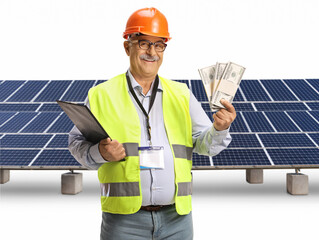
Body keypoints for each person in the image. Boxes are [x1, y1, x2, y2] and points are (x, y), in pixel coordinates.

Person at [68, 7, 236, 240]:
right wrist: (101, 153)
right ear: (127, 47)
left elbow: (205, 146)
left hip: (177, 220)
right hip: (123, 222)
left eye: (159, 44)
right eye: (143, 43)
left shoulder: (181, 94)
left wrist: (219, 129)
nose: (152, 52)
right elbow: (75, 143)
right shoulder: (101, 95)